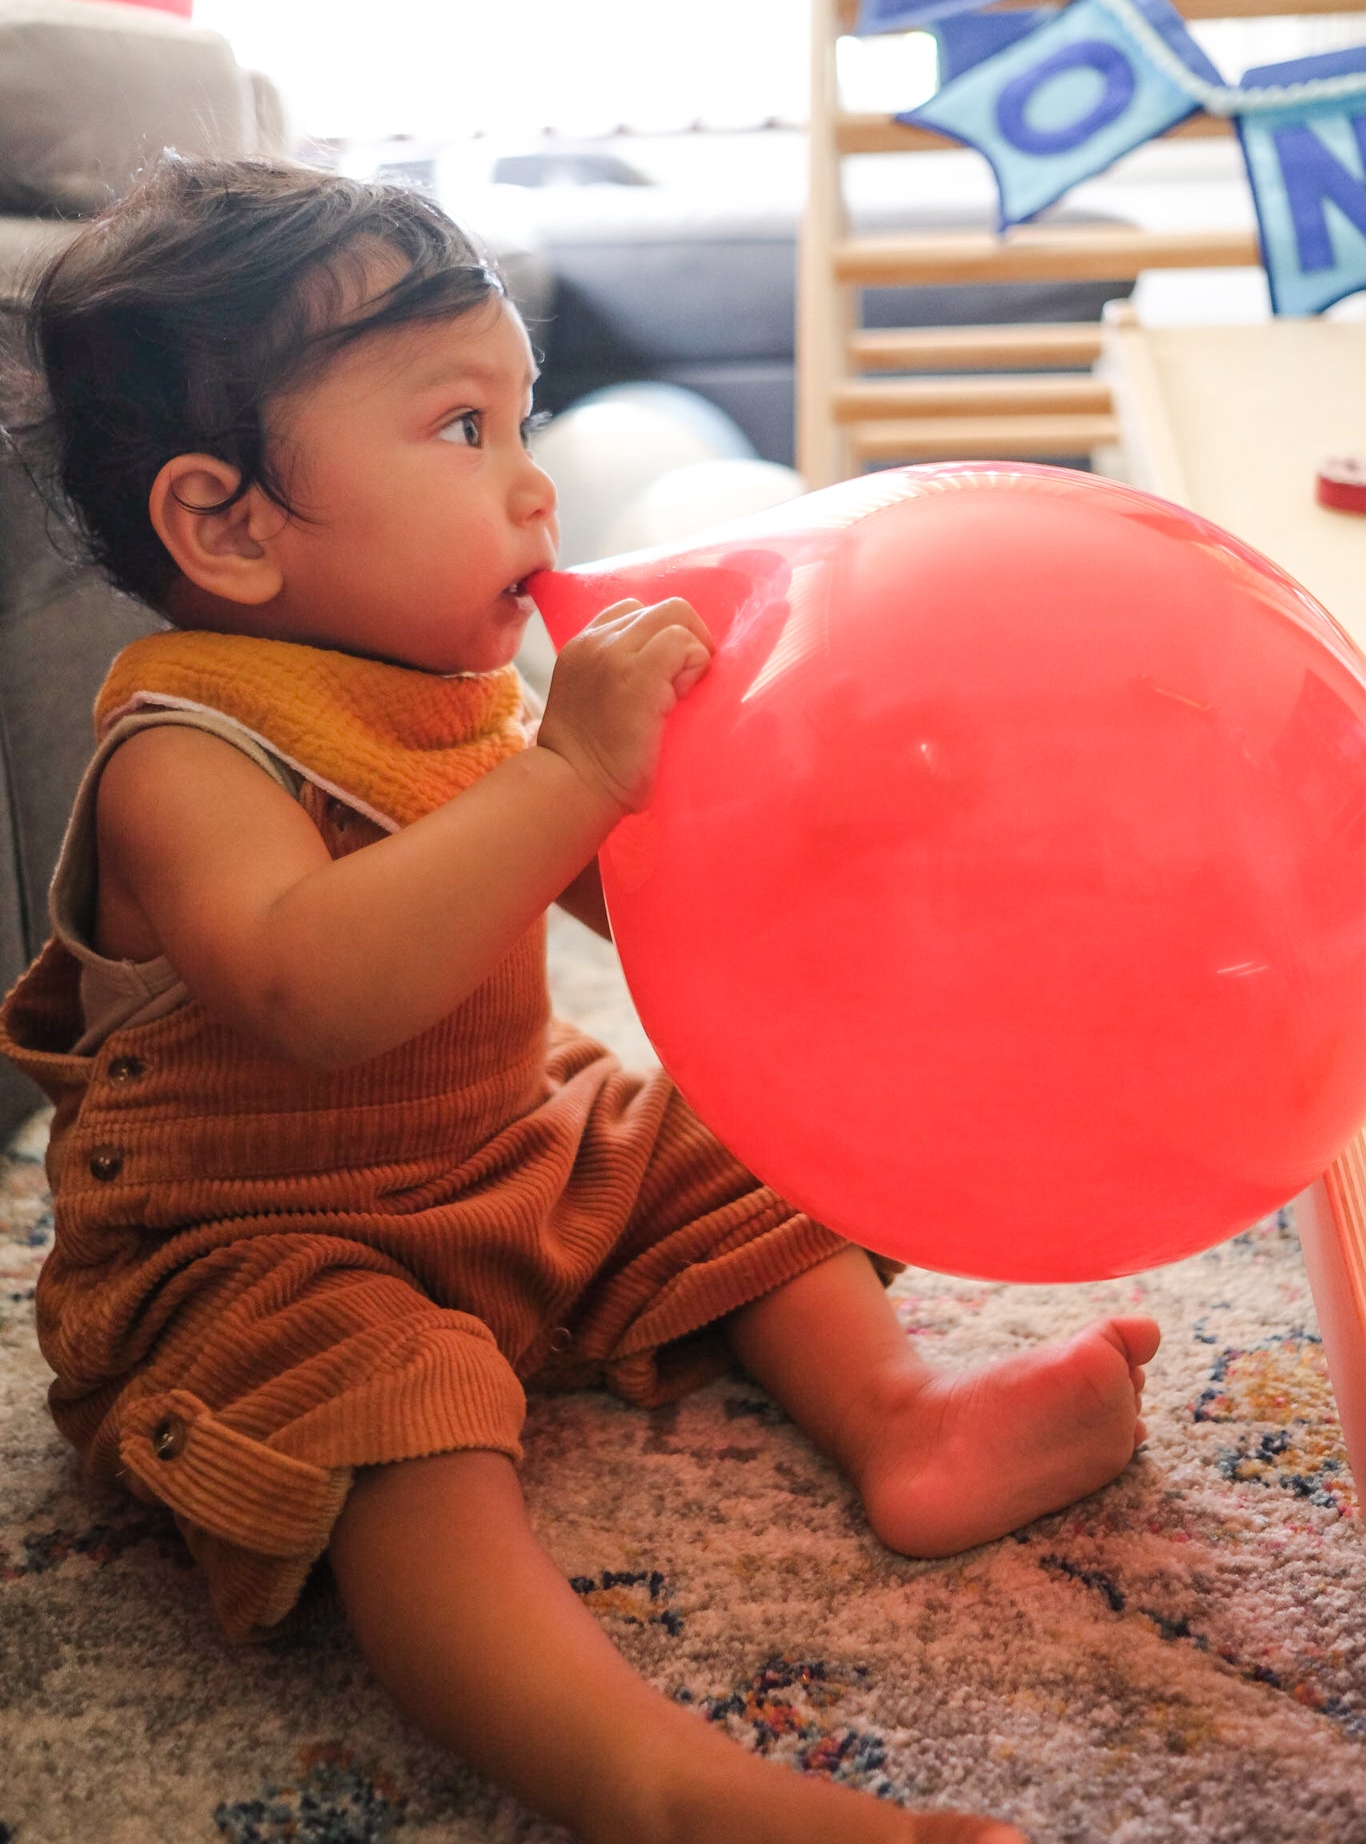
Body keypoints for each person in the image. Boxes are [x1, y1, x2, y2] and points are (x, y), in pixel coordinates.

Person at [0, 155, 1159, 1844]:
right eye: (462, 428)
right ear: (226, 526)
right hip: (267, 1241)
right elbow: (315, 991)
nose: (534, 488)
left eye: (523, 422)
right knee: (391, 1419)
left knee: (720, 1135)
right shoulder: (186, 753)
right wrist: (566, 776)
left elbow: (649, 905)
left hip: (509, 1152)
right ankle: (647, 1778)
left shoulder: (461, 696)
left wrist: (817, 805)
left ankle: (902, 1417)